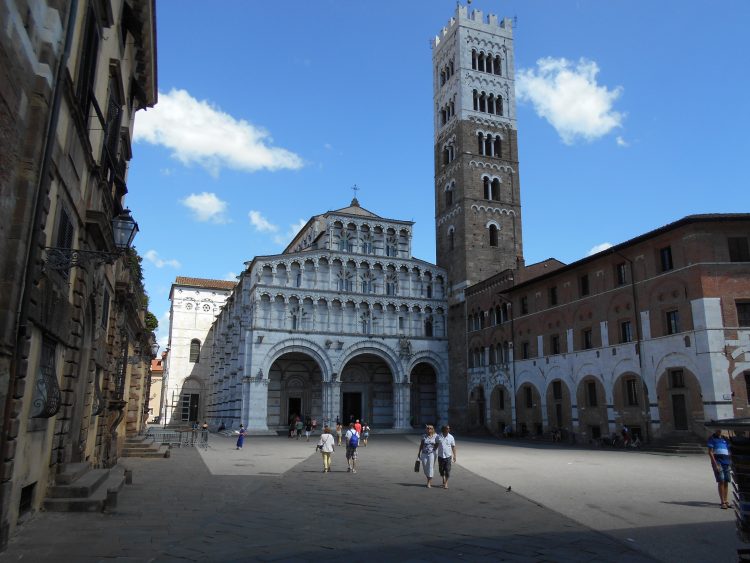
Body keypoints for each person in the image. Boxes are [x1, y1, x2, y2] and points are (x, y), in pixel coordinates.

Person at [707, 429, 731, 509]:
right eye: (718, 430)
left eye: (721, 429)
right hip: (718, 462)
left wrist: (730, 461)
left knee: (726, 481)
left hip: (726, 462)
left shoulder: (725, 439)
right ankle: (722, 502)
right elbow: (710, 452)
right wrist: (715, 463)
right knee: (721, 481)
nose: (720, 431)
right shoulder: (712, 439)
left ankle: (726, 500)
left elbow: (729, 450)